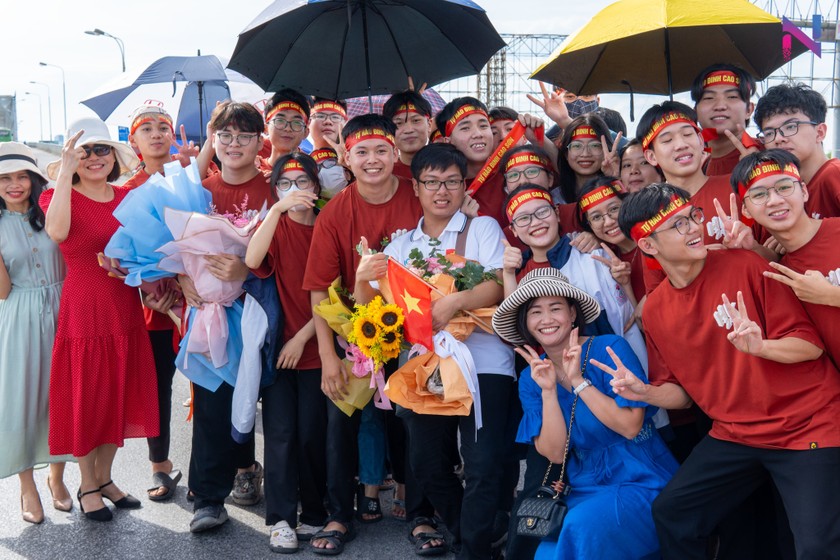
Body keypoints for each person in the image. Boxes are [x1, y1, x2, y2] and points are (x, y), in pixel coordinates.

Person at [615, 183, 840, 558]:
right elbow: (680, 391)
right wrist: (646, 393)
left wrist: (761, 347)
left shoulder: (748, 264)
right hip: (736, 434)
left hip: (806, 425)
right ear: (649, 246)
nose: (693, 228)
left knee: (816, 545)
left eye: (693, 217)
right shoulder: (654, 310)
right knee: (672, 512)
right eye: (678, 225)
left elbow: (810, 346)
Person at [356, 143, 515, 558]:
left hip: (484, 364)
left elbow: (499, 284)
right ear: (417, 188)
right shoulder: (400, 246)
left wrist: (453, 303)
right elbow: (370, 306)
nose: (442, 191)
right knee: (426, 464)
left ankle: (473, 551)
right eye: (432, 182)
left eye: (451, 182)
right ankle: (470, 534)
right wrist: (361, 276)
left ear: (464, 186)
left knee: (482, 465)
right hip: (424, 368)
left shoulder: (482, 230)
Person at [492, 267, 677, 559]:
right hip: (583, 482)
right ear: (526, 323)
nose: (547, 319)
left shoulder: (609, 348)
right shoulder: (532, 377)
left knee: (582, 528)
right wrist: (549, 391)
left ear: (573, 314)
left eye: (556, 308)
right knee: (546, 553)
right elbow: (554, 454)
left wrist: (578, 381)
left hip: (639, 475)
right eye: (536, 312)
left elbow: (630, 426)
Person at [302, 113, 422, 555]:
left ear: (395, 153)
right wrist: (329, 358)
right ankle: (339, 513)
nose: (373, 160)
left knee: (415, 419)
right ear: (347, 159)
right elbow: (318, 288)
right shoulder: (336, 212)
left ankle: (421, 513)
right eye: (362, 152)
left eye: (381, 150)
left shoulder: (419, 193)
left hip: (415, 333)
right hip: (357, 332)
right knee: (340, 419)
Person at [40, 117, 158, 522]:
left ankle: (106, 478)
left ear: (114, 155)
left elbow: (147, 247)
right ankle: (87, 484)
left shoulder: (128, 196)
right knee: (87, 397)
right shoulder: (58, 195)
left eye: (101, 149)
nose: (93, 158)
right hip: (85, 307)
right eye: (84, 150)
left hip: (123, 303)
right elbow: (56, 233)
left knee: (117, 393)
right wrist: (65, 172)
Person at [184, 101, 273, 532]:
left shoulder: (274, 189)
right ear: (213, 141)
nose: (234, 144)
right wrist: (183, 281)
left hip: (263, 309)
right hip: (211, 315)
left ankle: (285, 493)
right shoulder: (196, 190)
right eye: (225, 136)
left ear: (260, 142)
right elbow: (174, 250)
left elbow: (293, 252)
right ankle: (208, 498)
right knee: (212, 404)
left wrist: (249, 269)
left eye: (244, 136)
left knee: (274, 406)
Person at [246, 152, 327, 552]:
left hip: (319, 348)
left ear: (317, 185)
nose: (295, 190)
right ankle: (280, 517)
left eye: (302, 182)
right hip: (278, 352)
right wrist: (276, 210)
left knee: (313, 433)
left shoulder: (329, 225)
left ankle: (313, 513)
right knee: (280, 434)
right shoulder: (275, 227)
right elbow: (251, 259)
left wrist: (304, 337)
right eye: (284, 183)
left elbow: (339, 294)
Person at [0, 143, 73, 524]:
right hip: (19, 314)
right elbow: (2, 290)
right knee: (22, 399)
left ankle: (57, 476)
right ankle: (26, 485)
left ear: (34, 178)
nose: (15, 185)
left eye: (21, 176)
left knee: (61, 395)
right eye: (5, 178)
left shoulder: (51, 208)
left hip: (66, 307)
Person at [121, 103, 185, 502]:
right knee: (158, 387)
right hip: (155, 306)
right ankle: (160, 468)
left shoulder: (192, 179)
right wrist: (147, 292)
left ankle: (233, 467)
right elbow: (117, 254)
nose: (157, 134)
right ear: (134, 140)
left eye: (164, 127)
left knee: (219, 388)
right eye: (148, 128)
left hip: (199, 299)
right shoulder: (125, 191)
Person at [729, 149, 840, 367]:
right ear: (746, 211)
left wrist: (830, 295)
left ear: (804, 192)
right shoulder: (778, 275)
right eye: (759, 194)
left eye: (784, 187)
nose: (775, 200)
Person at [753, 83, 840, 220]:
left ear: (820, 132)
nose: (779, 138)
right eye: (769, 133)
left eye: (791, 127)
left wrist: (811, 232)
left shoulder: (834, 174)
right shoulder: (784, 191)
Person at [690, 64, 759, 176]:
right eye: (709, 98)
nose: (720, 106)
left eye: (732, 97)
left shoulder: (767, 153)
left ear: (749, 110)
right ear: (695, 112)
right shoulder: (699, 169)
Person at [556, 114, 619, 206]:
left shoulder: (622, 188)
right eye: (577, 146)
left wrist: (614, 181)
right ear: (566, 153)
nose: (585, 154)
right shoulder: (555, 198)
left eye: (594, 146)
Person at [383, 90, 432, 180]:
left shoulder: (448, 168)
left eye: (416, 121)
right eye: (398, 123)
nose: (408, 130)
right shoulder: (383, 174)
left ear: (429, 124)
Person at [259, 89, 311, 173]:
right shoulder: (250, 171)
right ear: (266, 127)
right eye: (280, 121)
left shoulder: (314, 172)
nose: (288, 128)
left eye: (296, 123)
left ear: (306, 132)